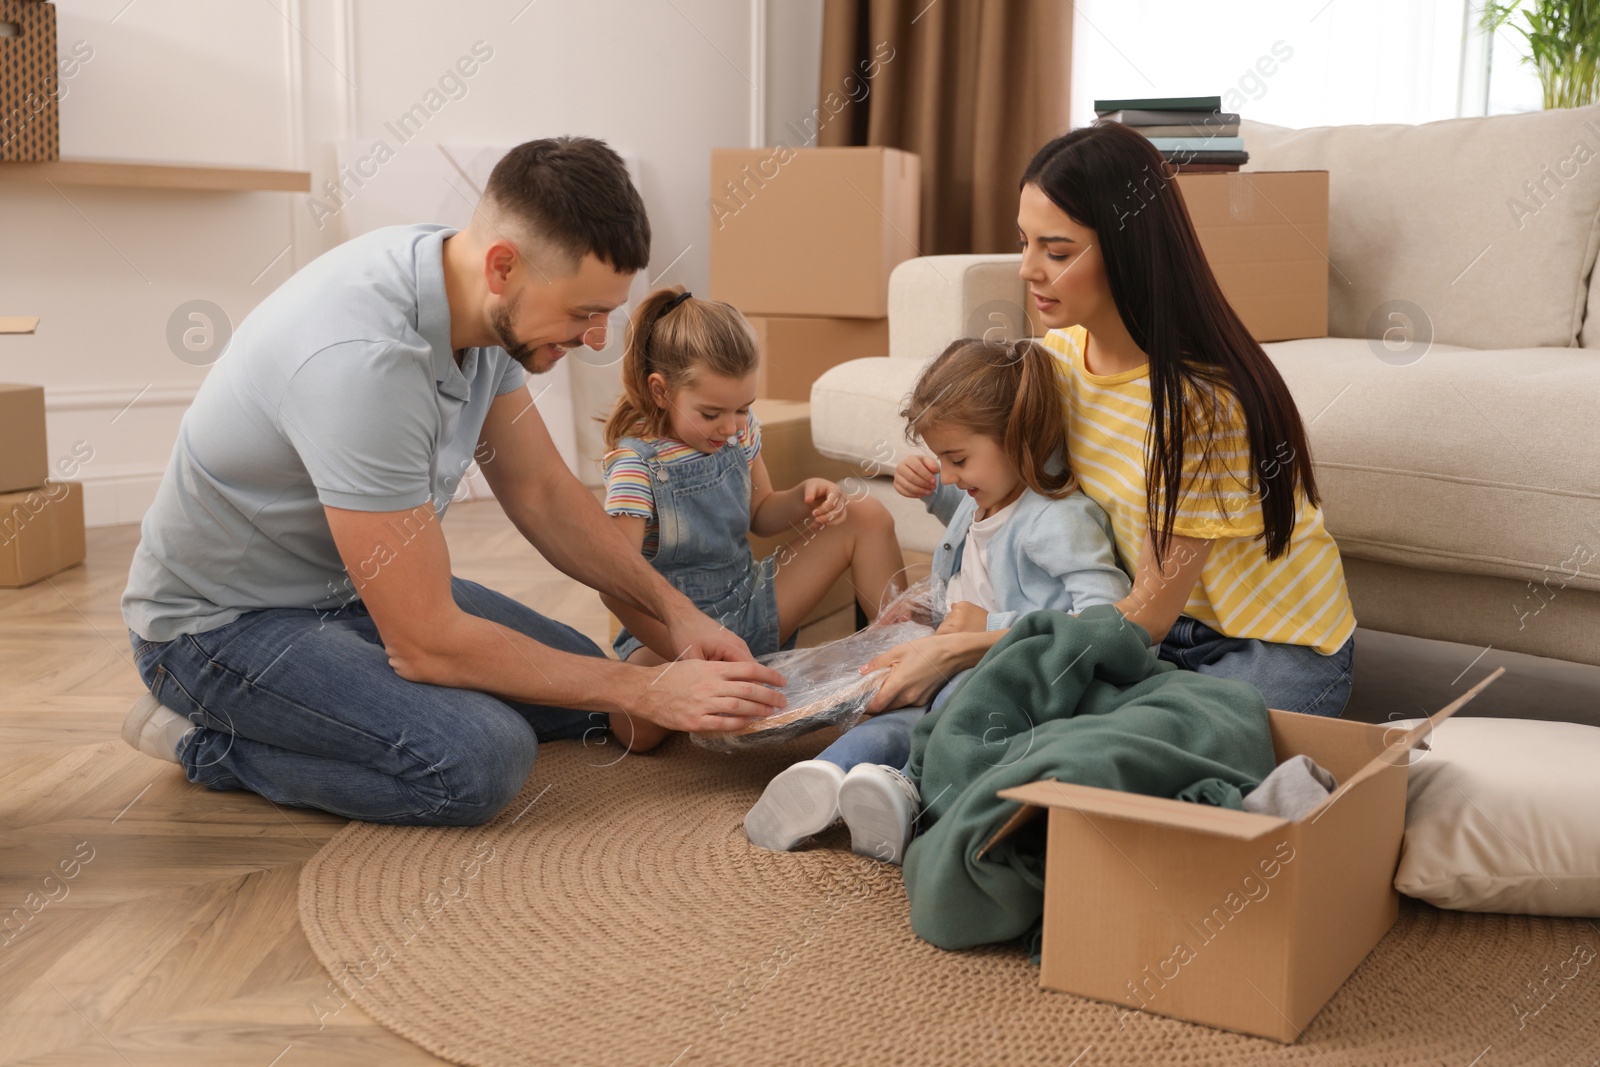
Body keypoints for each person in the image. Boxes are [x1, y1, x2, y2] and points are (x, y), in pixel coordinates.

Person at [119, 137, 787, 827]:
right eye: (584, 311)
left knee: (591, 686)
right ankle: (201, 740)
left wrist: (680, 619)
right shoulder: (362, 363)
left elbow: (541, 492)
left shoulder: (477, 301)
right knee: (477, 758)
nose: (597, 337)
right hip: (219, 626)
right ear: (503, 266)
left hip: (349, 588)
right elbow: (426, 641)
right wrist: (648, 690)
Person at [862, 121, 1357, 721]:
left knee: (1139, 755)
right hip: (1134, 629)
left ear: (1127, 250)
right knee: (1034, 723)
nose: (1028, 269)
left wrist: (966, 646)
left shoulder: (1200, 406)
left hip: (1264, 646)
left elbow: (1147, 613)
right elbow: (996, 468)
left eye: (1058, 251)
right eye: (1024, 242)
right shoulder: (1059, 362)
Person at [743, 337, 1131, 864]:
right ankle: (822, 775)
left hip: (1014, 680)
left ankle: (903, 788)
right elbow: (972, 540)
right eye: (940, 459)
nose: (948, 474)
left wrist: (992, 622)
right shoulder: (989, 493)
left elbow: (1106, 618)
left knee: (949, 712)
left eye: (957, 459)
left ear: (1019, 440)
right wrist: (931, 492)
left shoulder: (1058, 521)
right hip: (957, 659)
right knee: (886, 710)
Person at [598, 286, 906, 753]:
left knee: (864, 512)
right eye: (712, 413)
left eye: (743, 408)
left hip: (752, 608)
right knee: (636, 734)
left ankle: (904, 654)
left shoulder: (740, 434)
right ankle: (711, 686)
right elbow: (614, 583)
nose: (731, 426)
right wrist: (688, 655)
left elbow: (762, 515)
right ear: (661, 391)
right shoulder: (634, 466)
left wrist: (804, 498)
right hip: (672, 636)